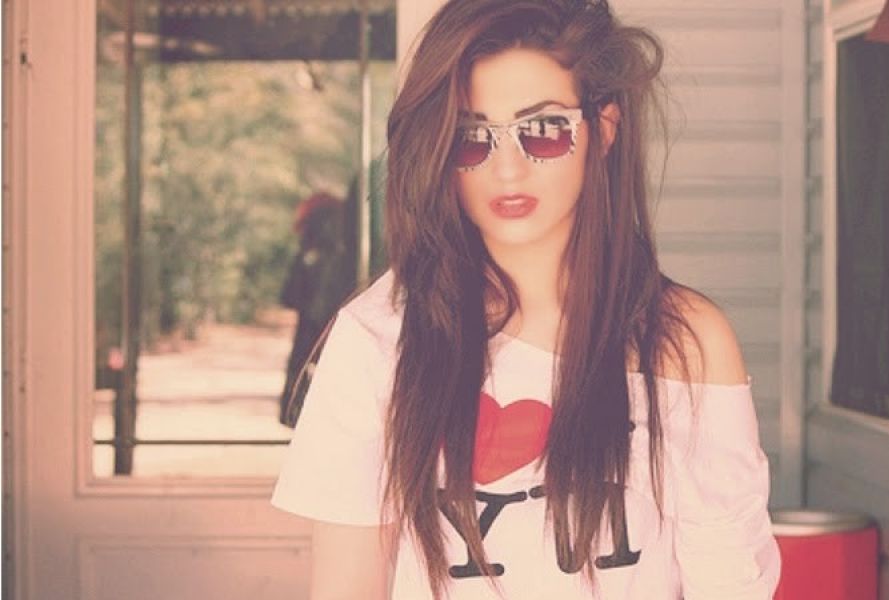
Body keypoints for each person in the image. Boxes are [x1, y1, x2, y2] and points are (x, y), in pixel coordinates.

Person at [272, 1, 781, 598]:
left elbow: (728, 586)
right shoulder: (377, 341)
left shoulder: (682, 341)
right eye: (470, 137)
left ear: (602, 130)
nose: (507, 169)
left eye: (543, 131)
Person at [278, 189, 358, 426]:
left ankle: (297, 414)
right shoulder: (341, 242)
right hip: (326, 316)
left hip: (316, 318)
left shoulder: (318, 248)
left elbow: (291, 293)